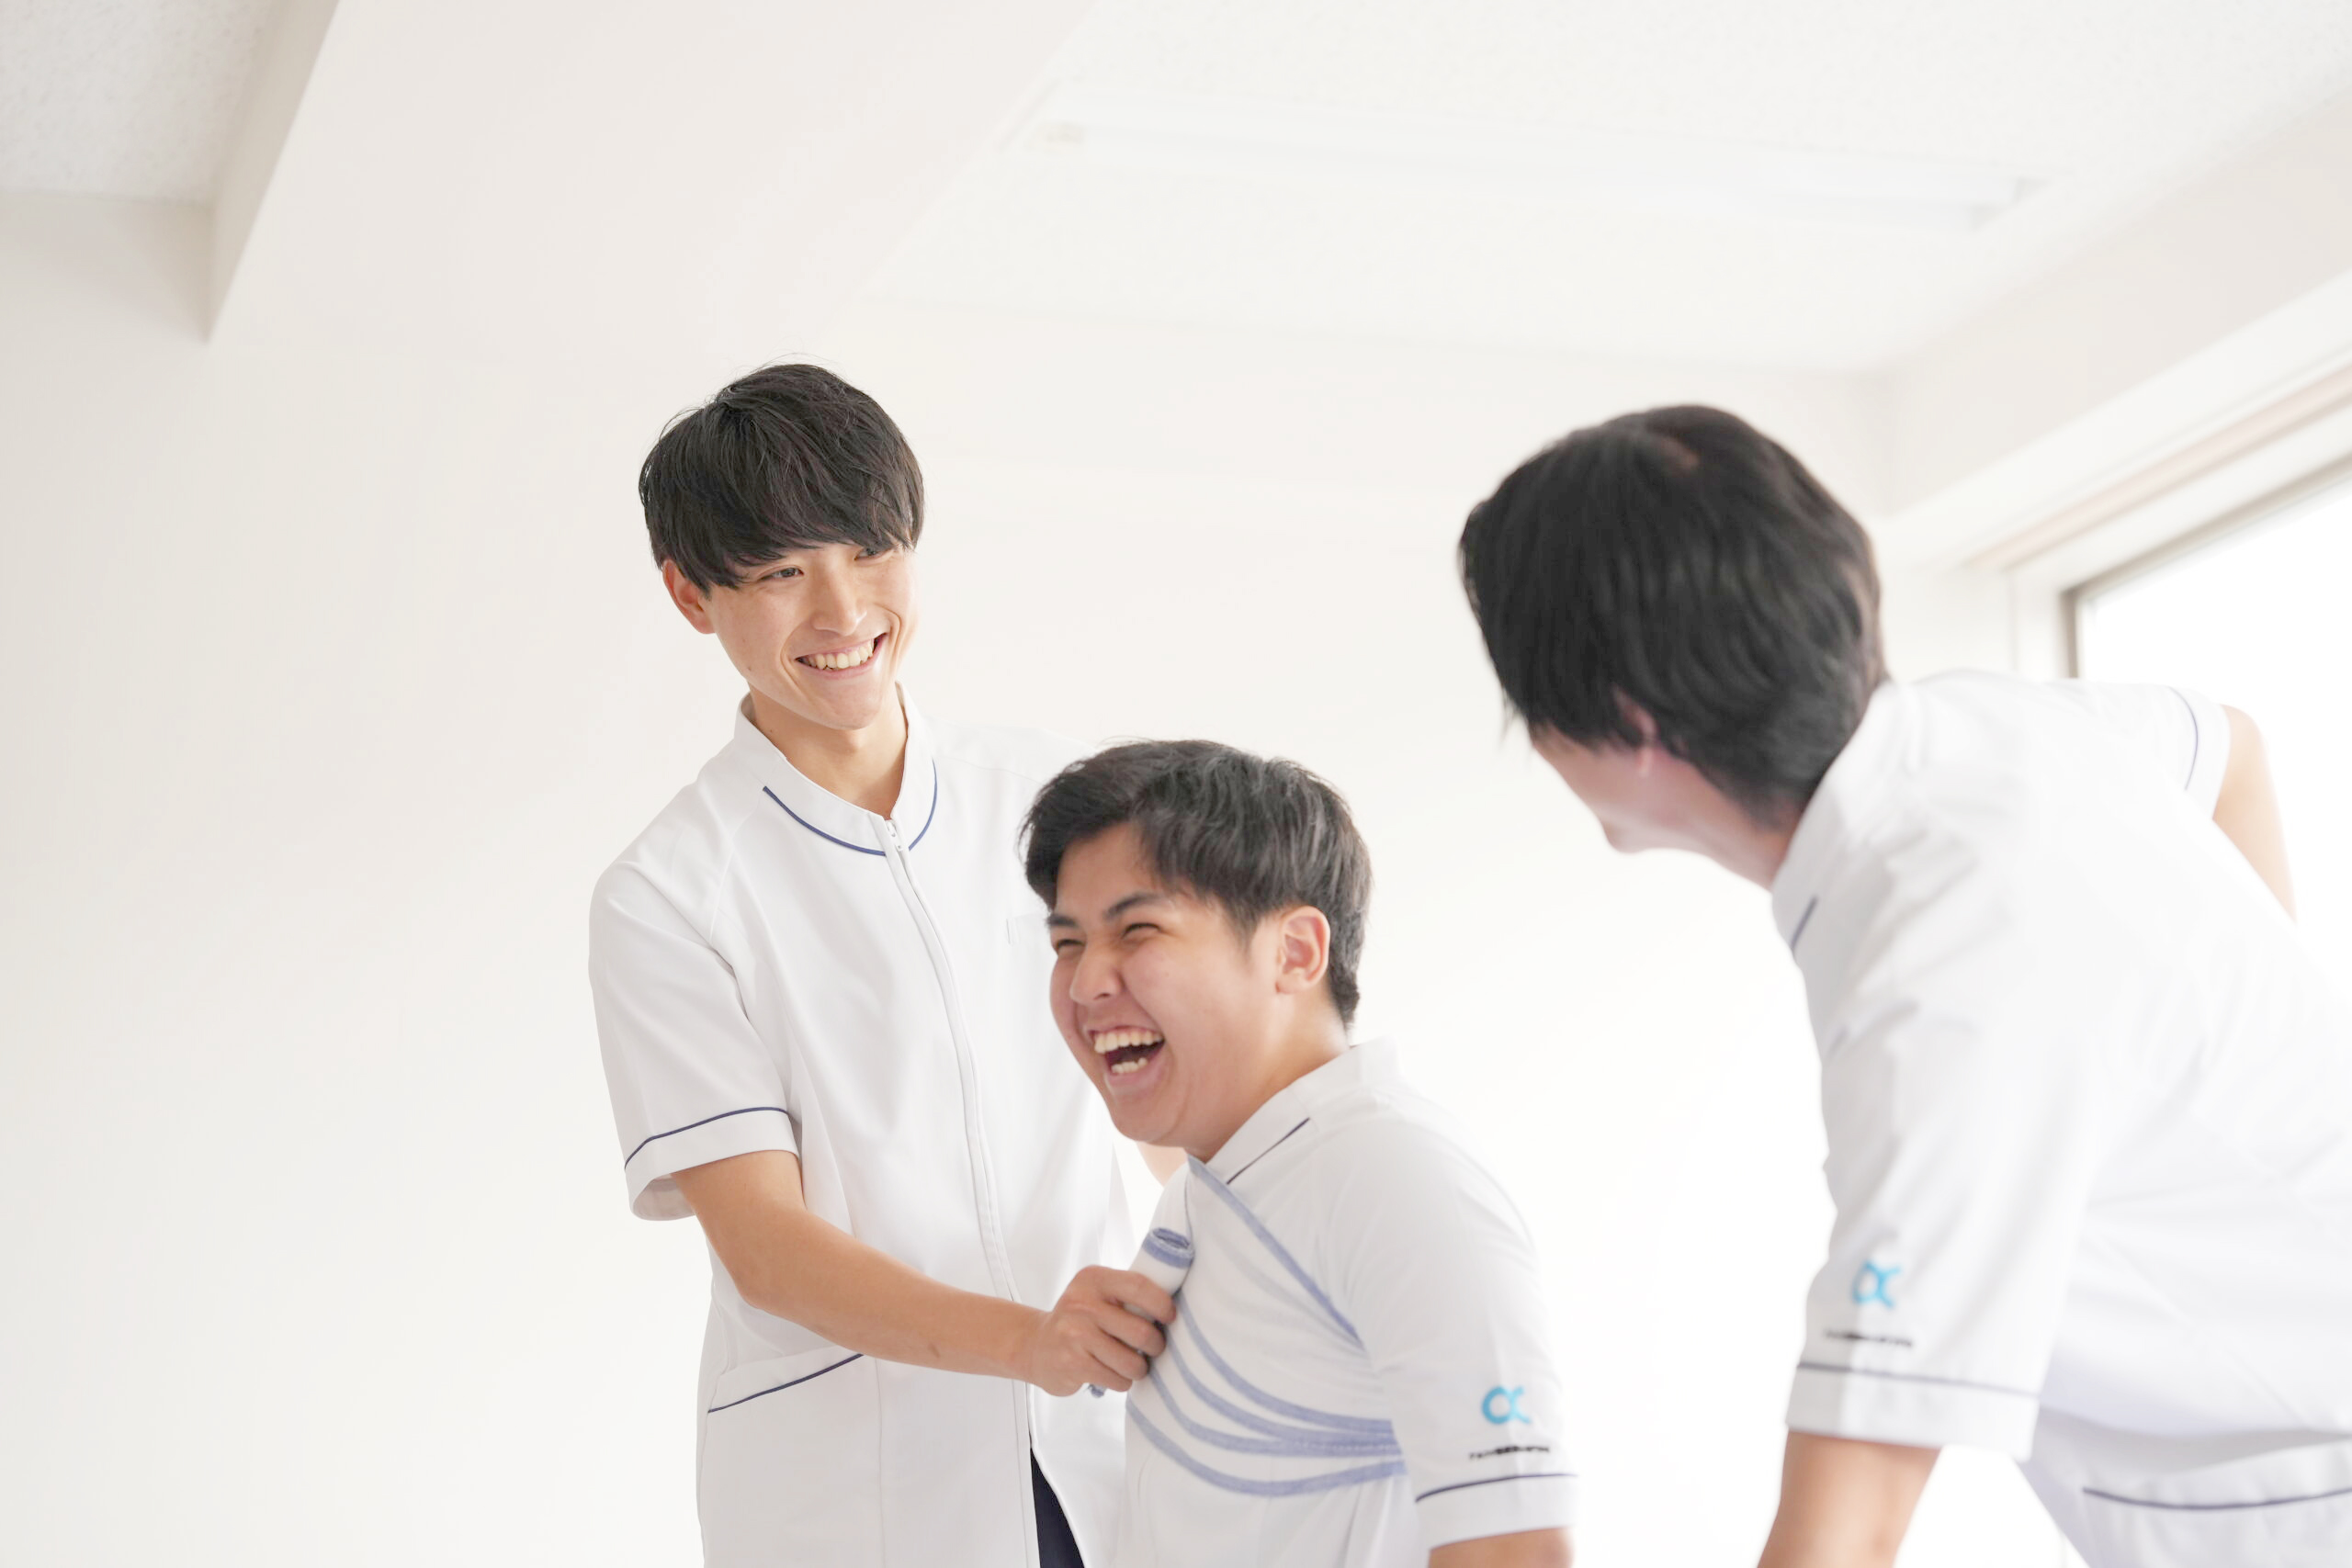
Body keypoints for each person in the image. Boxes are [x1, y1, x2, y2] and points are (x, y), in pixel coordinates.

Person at [1454, 404, 2352, 1568]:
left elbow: (1846, 1532)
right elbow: (2231, 749)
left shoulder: (1940, 989)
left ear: (1628, 725)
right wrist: (2250, 1084)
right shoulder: (1994, 730)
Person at [588, 365, 1173, 1568]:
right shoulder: (669, 894)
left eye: (869, 551)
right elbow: (765, 1241)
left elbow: (1181, 1096)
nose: (842, 609)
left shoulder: (1058, 800)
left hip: (1108, 1449)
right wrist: (1030, 1340)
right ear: (692, 595)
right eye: (779, 573)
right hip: (858, 1492)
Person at [1023, 739, 1577, 1568]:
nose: (1085, 982)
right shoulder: (1213, 1185)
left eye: (1137, 929)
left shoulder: (1397, 1179)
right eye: (1067, 943)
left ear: (1295, 952)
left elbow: (1515, 1548)